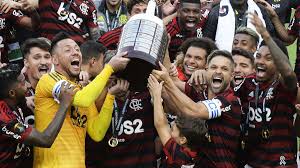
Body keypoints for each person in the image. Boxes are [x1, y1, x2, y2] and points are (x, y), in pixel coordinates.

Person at [33, 32, 129, 167]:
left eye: (77, 49)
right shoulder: (49, 80)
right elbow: (80, 100)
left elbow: (97, 132)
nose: (75, 52)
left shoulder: (82, 89)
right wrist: (109, 68)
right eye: (68, 50)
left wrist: (110, 95)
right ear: (55, 60)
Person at [152, 50, 242, 167]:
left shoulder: (230, 100)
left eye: (224, 69)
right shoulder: (200, 92)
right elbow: (174, 80)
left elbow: (195, 111)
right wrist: (164, 44)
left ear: (232, 76)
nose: (218, 71)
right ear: (206, 70)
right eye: (213, 67)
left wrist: (167, 81)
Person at [234, 12, 298, 167]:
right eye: (258, 56)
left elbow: (289, 73)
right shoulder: (248, 82)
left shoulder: (284, 86)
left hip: (280, 161)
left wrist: (266, 35)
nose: (261, 61)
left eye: (269, 58)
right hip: (252, 160)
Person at [0, 65, 77, 167]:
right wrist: (64, 104)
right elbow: (45, 140)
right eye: (23, 83)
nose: (28, 85)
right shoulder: (4, 119)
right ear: (12, 93)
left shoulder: (15, 102)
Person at [148, 74, 207, 168]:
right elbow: (164, 125)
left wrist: (156, 96)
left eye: (173, 129)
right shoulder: (195, 153)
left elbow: (161, 125)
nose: (170, 128)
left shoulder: (179, 155)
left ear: (183, 139)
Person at [203, 0, 276, 51]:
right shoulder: (216, 11)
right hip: (223, 64)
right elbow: (207, 43)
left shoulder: (260, 11)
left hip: (253, 65)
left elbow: (270, 40)